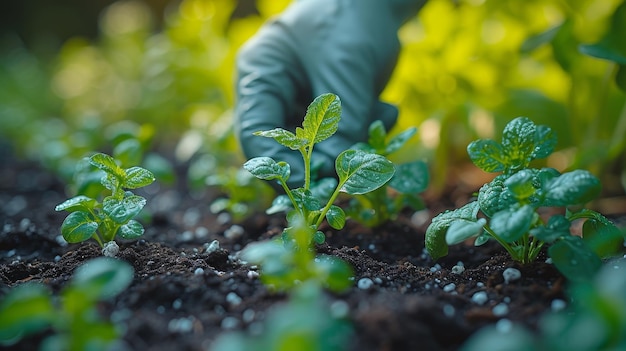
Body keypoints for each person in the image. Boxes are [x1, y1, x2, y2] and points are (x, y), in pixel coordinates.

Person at [235, 0, 426, 187]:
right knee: (341, 140)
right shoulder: (355, 28)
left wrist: (310, 186)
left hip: (347, 28)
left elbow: (339, 141)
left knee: (340, 141)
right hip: (355, 26)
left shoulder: (347, 31)